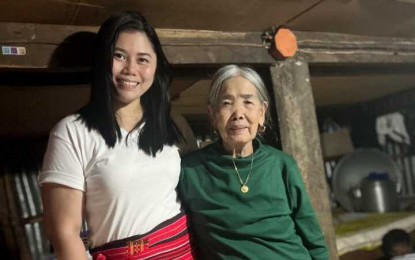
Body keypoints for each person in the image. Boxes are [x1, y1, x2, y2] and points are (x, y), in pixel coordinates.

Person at [39, 11, 194, 260]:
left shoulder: (172, 125)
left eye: (143, 59)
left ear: (156, 66)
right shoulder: (71, 133)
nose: (130, 69)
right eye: (119, 56)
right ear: (103, 60)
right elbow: (64, 233)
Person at [178, 64, 329, 259]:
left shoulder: (282, 165)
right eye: (226, 103)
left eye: (248, 102)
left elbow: (313, 237)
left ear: (262, 112)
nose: (238, 114)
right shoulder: (191, 170)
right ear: (212, 115)